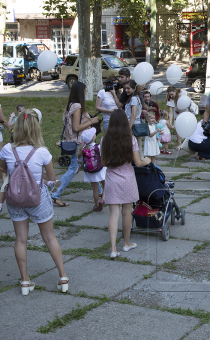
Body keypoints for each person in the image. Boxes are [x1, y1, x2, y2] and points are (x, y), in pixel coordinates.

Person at [0, 109, 68, 295]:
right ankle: (62, 276)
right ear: (36, 129)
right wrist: (37, 174)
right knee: (50, 237)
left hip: (15, 199)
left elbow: (1, 168)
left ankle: (25, 281)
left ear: (17, 128)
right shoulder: (42, 152)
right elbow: (51, 179)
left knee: (20, 239)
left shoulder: (7, 149)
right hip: (38, 198)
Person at [100, 109, 151, 258]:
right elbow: (138, 163)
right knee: (126, 213)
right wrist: (147, 160)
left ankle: (113, 249)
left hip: (111, 178)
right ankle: (126, 243)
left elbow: (103, 163)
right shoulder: (131, 139)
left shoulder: (105, 139)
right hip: (128, 178)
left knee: (113, 214)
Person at [51, 81, 101, 207]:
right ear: (80, 92)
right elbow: (76, 128)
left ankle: (100, 191)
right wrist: (91, 121)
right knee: (75, 168)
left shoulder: (70, 105)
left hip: (75, 142)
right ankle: (55, 194)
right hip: (77, 143)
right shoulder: (77, 106)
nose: (85, 92)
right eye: (84, 90)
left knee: (89, 165)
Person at [79, 128, 106, 212]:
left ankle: (96, 205)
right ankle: (103, 199)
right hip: (101, 169)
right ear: (93, 138)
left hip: (90, 171)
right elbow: (103, 156)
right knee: (106, 185)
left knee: (95, 189)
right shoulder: (98, 146)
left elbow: (80, 161)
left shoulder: (82, 149)